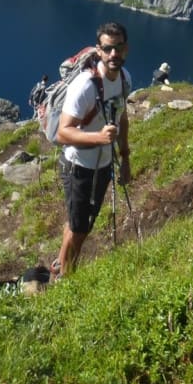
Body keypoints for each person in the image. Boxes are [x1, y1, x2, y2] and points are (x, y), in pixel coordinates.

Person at [54, 20, 133, 276]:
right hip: (78, 165)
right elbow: (63, 132)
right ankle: (67, 280)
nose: (114, 54)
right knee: (80, 228)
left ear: (126, 49)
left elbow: (121, 117)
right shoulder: (85, 85)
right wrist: (99, 138)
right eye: (108, 49)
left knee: (81, 223)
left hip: (104, 163)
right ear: (98, 50)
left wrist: (125, 157)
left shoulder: (124, 79)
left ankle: (60, 264)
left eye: (119, 48)